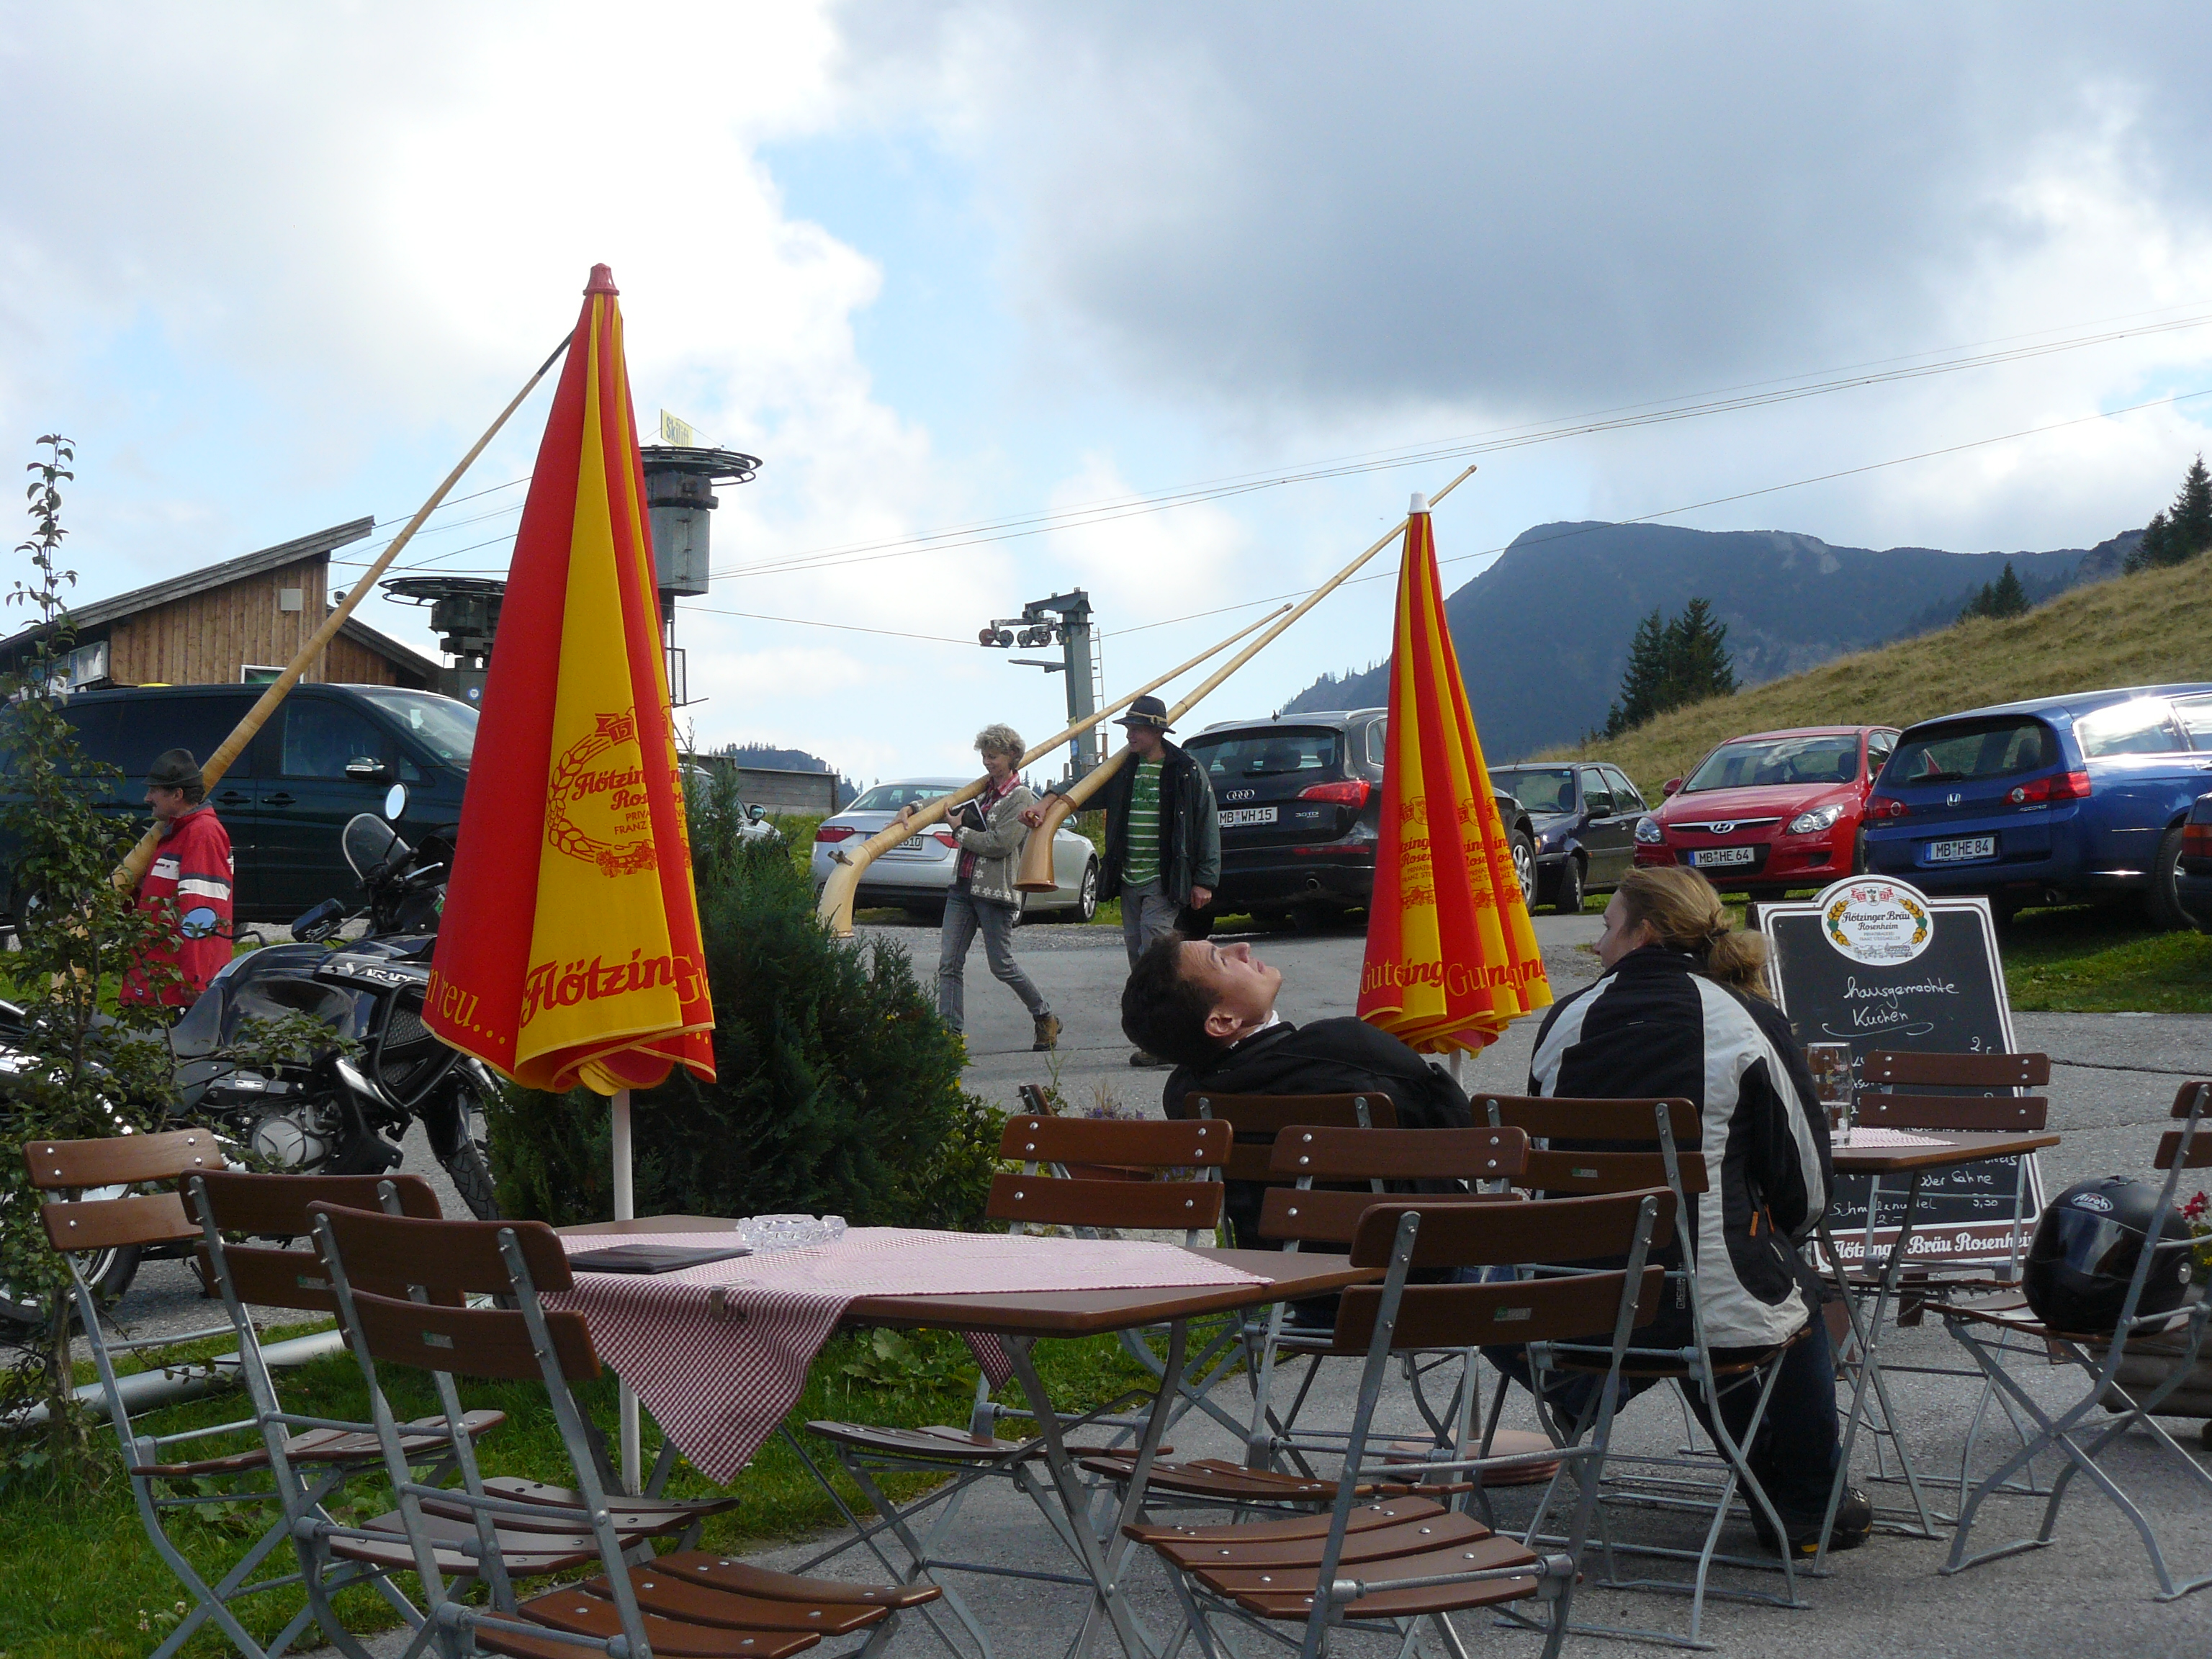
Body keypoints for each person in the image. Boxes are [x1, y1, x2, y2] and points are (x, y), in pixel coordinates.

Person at [1514, 863, 1867, 1559]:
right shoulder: (1744, 1019)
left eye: (1606, 927)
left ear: (1643, 933)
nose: (1598, 944)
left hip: (1576, 1303)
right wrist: (1770, 1230)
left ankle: (1589, 1390)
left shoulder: (1567, 1020)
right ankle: (1807, 1503)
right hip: (1704, 1306)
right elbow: (1807, 1191)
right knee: (1782, 1293)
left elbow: (1544, 1160)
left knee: (1700, 1297)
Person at [1123, 930, 1473, 1246]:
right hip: (1411, 1261)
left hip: (1284, 1274)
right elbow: (1460, 1129)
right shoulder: (1346, 1048)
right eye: (1221, 959)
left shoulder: (1186, 1097)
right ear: (1223, 1020)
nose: (1242, 948)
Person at [1031, 693, 1220, 1066]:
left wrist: (1205, 880)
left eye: (1137, 729)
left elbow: (1206, 823)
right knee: (1139, 960)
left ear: (1157, 732)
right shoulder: (1122, 768)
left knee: (1157, 960)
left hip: (1164, 879)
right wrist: (1045, 802)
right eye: (1129, 728)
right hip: (1129, 878)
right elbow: (1081, 786)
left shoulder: (1185, 769)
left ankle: (1172, 1042)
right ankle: (1161, 1038)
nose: (1130, 735)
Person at [899, 724, 1060, 1052]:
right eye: (985, 756)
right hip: (962, 887)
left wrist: (960, 832)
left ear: (1012, 756)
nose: (988, 762)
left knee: (1001, 965)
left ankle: (1045, 1016)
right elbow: (947, 802)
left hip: (996, 893)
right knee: (949, 963)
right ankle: (949, 1035)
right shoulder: (982, 789)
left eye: (994, 756)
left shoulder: (1021, 797)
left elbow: (1001, 844)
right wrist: (913, 808)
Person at [121, 747, 234, 1011]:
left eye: (154, 791)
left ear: (177, 794)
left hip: (174, 991)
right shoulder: (175, 833)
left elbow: (203, 910)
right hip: (155, 983)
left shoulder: (202, 834)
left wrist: (196, 979)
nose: (148, 798)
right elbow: (152, 899)